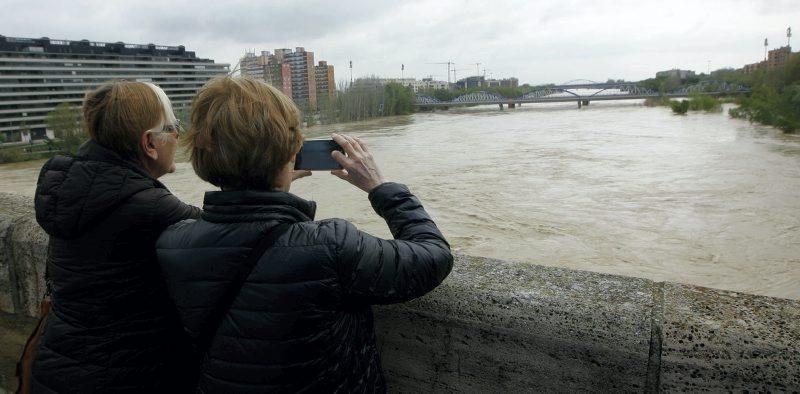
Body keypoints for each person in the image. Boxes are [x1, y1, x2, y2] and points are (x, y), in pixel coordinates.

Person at [156, 76, 453, 393]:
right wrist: (380, 188)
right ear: (292, 150)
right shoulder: (330, 245)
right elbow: (434, 256)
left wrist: (273, 183)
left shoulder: (172, 243)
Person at [32, 81, 200, 393]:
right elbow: (228, 239)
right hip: (126, 378)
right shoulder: (149, 208)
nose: (178, 135)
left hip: (57, 369)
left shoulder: (69, 189)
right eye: (173, 126)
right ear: (150, 143)